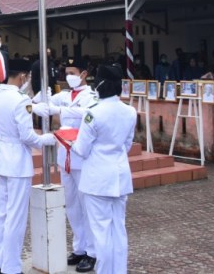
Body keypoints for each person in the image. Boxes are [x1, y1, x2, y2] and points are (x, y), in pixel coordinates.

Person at [0, 59, 57, 274]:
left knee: (0, 215)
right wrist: (45, 139)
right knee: (16, 218)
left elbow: (14, 110)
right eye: (27, 78)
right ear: (22, 77)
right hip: (17, 161)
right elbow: (27, 136)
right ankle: (11, 267)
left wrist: (34, 106)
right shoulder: (21, 100)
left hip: (1, 157)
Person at [71, 63, 137, 274]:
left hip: (98, 179)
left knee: (101, 233)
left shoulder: (93, 113)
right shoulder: (130, 111)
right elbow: (126, 145)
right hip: (120, 175)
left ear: (100, 84)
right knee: (119, 230)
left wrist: (70, 143)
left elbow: (81, 149)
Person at [34, 57, 97, 272]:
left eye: (73, 72)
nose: (69, 76)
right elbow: (39, 100)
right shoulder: (65, 94)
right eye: (66, 72)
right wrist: (45, 91)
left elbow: (87, 113)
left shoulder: (92, 95)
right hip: (65, 155)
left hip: (81, 154)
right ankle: (79, 247)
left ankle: (92, 251)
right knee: (71, 204)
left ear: (83, 74)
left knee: (86, 204)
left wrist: (59, 111)